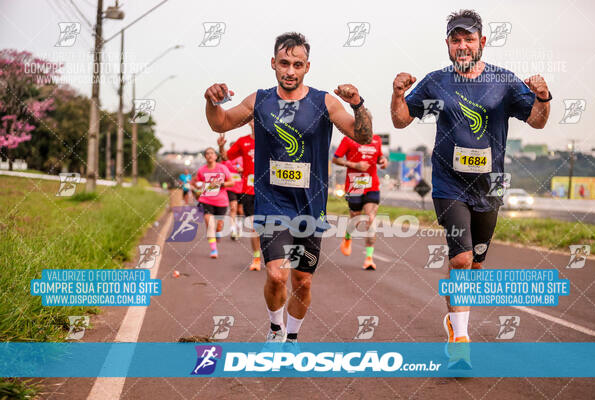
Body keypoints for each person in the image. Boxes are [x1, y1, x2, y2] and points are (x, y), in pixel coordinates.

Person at [390, 9, 550, 367]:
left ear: (482, 42)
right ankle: (460, 340)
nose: (462, 45)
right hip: (449, 184)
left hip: (489, 188)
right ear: (447, 43)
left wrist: (543, 97)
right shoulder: (436, 82)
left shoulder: (504, 82)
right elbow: (400, 121)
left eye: (469, 39)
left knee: (475, 265)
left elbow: (538, 123)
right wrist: (398, 93)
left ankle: (453, 317)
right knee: (460, 258)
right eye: (455, 39)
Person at [205, 32, 373, 343]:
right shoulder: (260, 100)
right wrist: (211, 101)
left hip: (311, 205)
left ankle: (292, 337)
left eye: (297, 64)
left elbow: (362, 135)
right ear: (273, 64)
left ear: (307, 66)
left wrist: (358, 105)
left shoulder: (323, 101)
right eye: (284, 63)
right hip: (272, 203)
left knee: (303, 281)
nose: (290, 71)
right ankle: (274, 329)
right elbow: (221, 123)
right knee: (276, 274)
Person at [333, 134, 388, 270]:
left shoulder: (376, 139)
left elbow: (379, 156)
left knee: (370, 219)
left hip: (372, 185)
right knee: (356, 219)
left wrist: (383, 160)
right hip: (354, 185)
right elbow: (336, 159)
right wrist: (354, 164)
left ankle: (369, 259)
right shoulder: (348, 139)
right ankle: (347, 237)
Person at [218, 121, 262, 271]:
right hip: (249, 191)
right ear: (250, 122)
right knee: (254, 226)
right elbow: (225, 157)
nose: (256, 122)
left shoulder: (271, 138)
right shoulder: (243, 142)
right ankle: (256, 258)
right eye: (253, 119)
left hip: (269, 191)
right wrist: (221, 147)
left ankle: (273, 257)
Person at [191, 147, 234, 259]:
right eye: (207, 154)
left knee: (219, 226)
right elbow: (196, 182)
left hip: (221, 201)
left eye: (212, 153)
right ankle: (214, 249)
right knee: (210, 224)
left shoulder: (222, 168)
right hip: (206, 200)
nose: (209, 155)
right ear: (205, 157)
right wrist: (196, 188)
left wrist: (221, 184)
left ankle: (218, 232)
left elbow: (232, 182)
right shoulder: (202, 170)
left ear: (216, 156)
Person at [222, 151, 244, 240]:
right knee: (233, 208)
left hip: (242, 188)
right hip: (231, 189)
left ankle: (240, 228)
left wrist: (242, 170)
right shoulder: (227, 161)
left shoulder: (243, 159)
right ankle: (233, 230)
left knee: (240, 210)